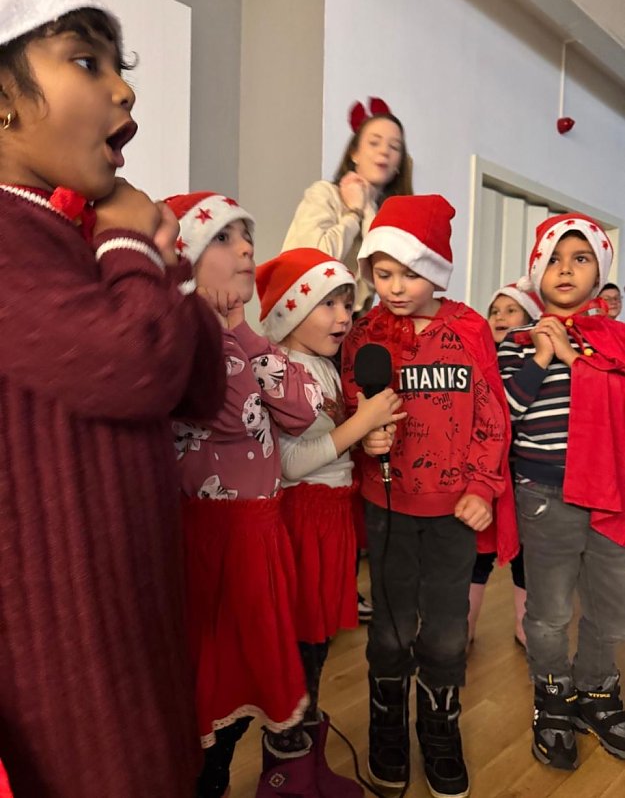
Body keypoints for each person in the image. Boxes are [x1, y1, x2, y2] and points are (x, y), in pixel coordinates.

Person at [0, 0, 225, 797]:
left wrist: (156, 257)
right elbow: (132, 370)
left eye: (116, 63)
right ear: (3, 99)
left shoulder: (72, 234)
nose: (123, 86)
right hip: (62, 645)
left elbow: (197, 385)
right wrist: (129, 246)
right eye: (85, 62)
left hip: (124, 613)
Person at [341, 195, 517, 798]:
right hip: (386, 505)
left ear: (437, 269)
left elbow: (493, 414)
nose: (394, 288)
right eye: (382, 273)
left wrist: (482, 486)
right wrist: (366, 438)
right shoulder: (365, 334)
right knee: (389, 627)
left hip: (453, 511)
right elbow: (349, 407)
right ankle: (386, 721)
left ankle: (439, 727)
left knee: (445, 630)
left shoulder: (468, 328)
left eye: (410, 274)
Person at [167, 193, 325, 798]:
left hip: (257, 532)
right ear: (187, 255)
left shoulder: (245, 339)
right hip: (209, 536)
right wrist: (222, 335)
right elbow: (222, 412)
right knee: (203, 688)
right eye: (227, 239)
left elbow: (304, 411)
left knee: (239, 684)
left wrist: (244, 332)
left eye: (247, 238)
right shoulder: (178, 335)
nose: (248, 251)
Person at [256, 248, 406, 798]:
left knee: (316, 644)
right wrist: (360, 423)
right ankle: (286, 771)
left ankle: (308, 759)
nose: (345, 317)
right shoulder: (277, 368)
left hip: (331, 518)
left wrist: (369, 437)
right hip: (299, 521)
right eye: (329, 304)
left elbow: (331, 447)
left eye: (348, 303)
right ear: (292, 310)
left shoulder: (327, 366)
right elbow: (291, 461)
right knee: (297, 647)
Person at [498, 213, 625, 771]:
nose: (566, 269)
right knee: (548, 612)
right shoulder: (514, 344)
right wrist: (544, 358)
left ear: (600, 272)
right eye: (554, 259)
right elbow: (505, 417)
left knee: (609, 606)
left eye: (581, 259)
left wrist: (578, 360)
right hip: (545, 491)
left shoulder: (616, 341)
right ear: (536, 272)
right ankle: (553, 695)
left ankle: (598, 692)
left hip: (611, 494)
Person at [282, 97, 413, 314]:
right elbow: (311, 264)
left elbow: (391, 286)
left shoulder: (386, 218)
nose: (384, 151)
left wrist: (368, 211)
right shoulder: (324, 194)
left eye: (394, 147)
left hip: (354, 332)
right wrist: (353, 214)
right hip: (306, 322)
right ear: (354, 153)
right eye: (374, 142)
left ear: (399, 164)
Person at [468, 284, 543, 649]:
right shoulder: (479, 357)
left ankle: (523, 625)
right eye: (495, 310)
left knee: (524, 553)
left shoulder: (535, 361)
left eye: (511, 310)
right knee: (476, 550)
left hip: (521, 470)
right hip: (483, 470)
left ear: (530, 319)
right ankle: (463, 626)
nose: (499, 316)